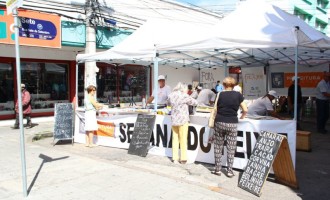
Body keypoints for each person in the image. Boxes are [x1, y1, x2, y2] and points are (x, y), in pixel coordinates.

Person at [212, 77, 247, 177]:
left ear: (223, 85)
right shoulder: (238, 95)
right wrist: (242, 116)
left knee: (218, 146)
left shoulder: (219, 94)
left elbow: (215, 108)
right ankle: (230, 171)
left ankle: (217, 169)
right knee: (231, 148)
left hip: (219, 122)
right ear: (233, 85)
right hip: (232, 123)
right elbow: (245, 109)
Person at [167, 82, 198, 164]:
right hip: (183, 120)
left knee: (175, 139)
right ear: (184, 88)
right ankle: (183, 158)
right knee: (183, 139)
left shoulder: (171, 95)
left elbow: (168, 104)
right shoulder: (184, 95)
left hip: (174, 120)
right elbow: (195, 102)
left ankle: (174, 158)